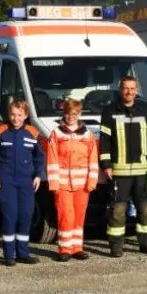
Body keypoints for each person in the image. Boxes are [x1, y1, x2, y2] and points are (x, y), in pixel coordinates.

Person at [99, 76, 147, 257]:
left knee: (146, 210)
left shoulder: (144, 109)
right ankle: (116, 247)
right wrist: (105, 164)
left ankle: (146, 244)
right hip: (119, 171)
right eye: (125, 88)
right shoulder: (110, 111)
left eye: (132, 88)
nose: (129, 92)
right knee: (118, 211)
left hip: (142, 171)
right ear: (120, 90)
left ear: (137, 90)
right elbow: (104, 140)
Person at [0, 100, 45, 266]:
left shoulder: (33, 133)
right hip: (7, 182)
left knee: (26, 216)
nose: (16, 118)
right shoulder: (0, 131)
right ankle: (9, 255)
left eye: (20, 115)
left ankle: (23, 253)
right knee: (10, 216)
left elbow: (39, 156)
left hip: (26, 181)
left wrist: (38, 175)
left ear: (26, 116)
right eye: (13, 114)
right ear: (8, 114)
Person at [46, 99, 98, 262]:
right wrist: (53, 182)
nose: (70, 117)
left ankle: (77, 248)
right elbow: (52, 159)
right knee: (65, 215)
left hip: (82, 183)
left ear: (79, 114)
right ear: (64, 114)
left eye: (74, 114)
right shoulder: (57, 133)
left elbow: (93, 159)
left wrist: (92, 180)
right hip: (62, 183)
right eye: (68, 114)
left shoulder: (88, 135)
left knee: (79, 215)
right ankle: (64, 248)